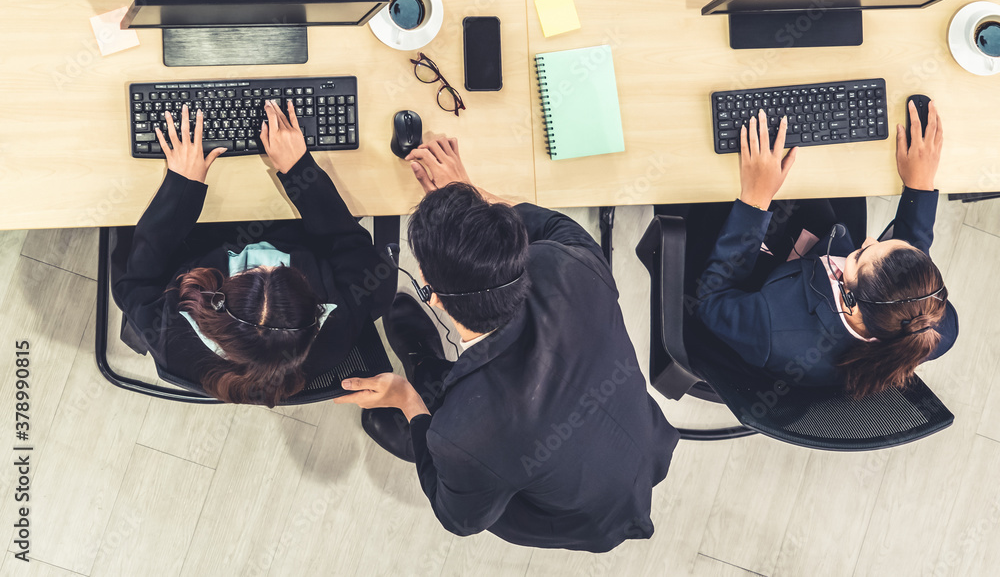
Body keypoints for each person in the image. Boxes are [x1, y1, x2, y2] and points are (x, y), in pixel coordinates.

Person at [334, 137, 680, 553]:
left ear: (433, 293)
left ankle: (420, 406)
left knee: (441, 424)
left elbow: (457, 518)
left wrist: (405, 399)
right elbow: (552, 226)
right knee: (463, 411)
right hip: (637, 439)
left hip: (569, 514)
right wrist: (471, 199)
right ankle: (424, 366)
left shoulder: (467, 431)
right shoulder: (569, 265)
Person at [112, 101, 391, 407]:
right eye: (277, 270)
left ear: (216, 305)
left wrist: (182, 188)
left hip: (197, 234)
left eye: (252, 270)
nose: (261, 258)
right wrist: (300, 170)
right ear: (316, 310)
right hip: (294, 224)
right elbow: (348, 242)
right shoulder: (342, 326)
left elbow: (134, 283)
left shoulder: (170, 336)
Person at [692, 101, 959, 398]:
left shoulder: (772, 328)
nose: (870, 240)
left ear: (850, 301)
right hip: (816, 252)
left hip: (762, 287)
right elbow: (907, 279)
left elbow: (710, 301)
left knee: (708, 180)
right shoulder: (934, 327)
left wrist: (754, 200)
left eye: (860, 256)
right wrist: (919, 186)